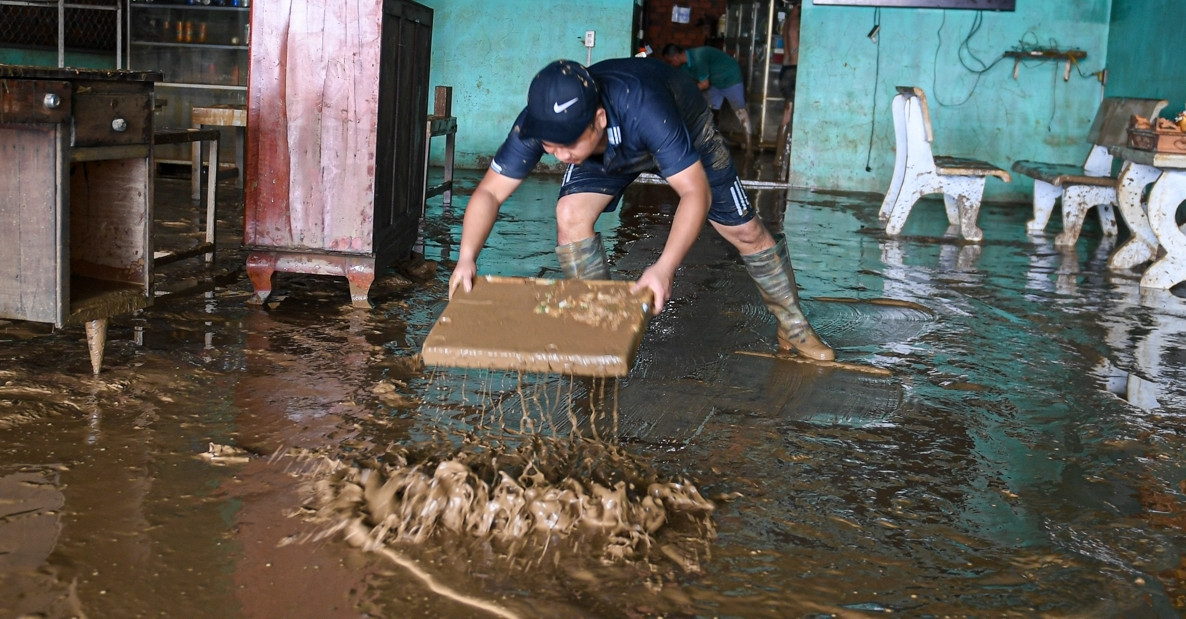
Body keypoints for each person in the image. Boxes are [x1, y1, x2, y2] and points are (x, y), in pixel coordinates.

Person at [446, 58, 832, 361]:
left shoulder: (645, 105)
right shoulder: (542, 122)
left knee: (746, 232)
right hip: (607, 150)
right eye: (550, 146)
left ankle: (793, 326)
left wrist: (664, 268)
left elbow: (694, 193)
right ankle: (599, 331)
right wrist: (466, 258)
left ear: (597, 120)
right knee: (570, 216)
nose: (559, 156)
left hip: (682, 126)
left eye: (567, 145)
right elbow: (489, 194)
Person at [659, 44, 753, 148]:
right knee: (710, 110)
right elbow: (685, 84)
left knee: (739, 110)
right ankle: (716, 141)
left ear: (675, 57)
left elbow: (704, 84)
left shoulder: (699, 57)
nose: (671, 64)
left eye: (670, 61)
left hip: (730, 78)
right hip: (714, 82)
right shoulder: (684, 66)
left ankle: (749, 146)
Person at [775, 1, 801, 175]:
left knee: (788, 113)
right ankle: (779, 158)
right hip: (792, 71)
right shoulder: (794, 23)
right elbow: (793, 33)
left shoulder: (788, 23)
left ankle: (780, 158)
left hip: (787, 70)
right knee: (788, 114)